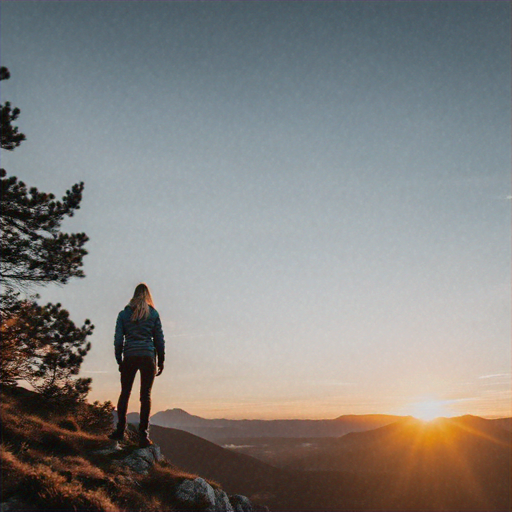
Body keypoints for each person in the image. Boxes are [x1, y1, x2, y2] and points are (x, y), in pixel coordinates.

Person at [109, 283, 165, 447]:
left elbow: (118, 339)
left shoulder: (123, 314)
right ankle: (143, 435)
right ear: (148, 295)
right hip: (148, 356)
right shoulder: (153, 314)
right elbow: (159, 339)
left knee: (125, 393)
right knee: (145, 395)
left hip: (130, 355)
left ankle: (120, 431)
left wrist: (119, 358)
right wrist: (161, 360)